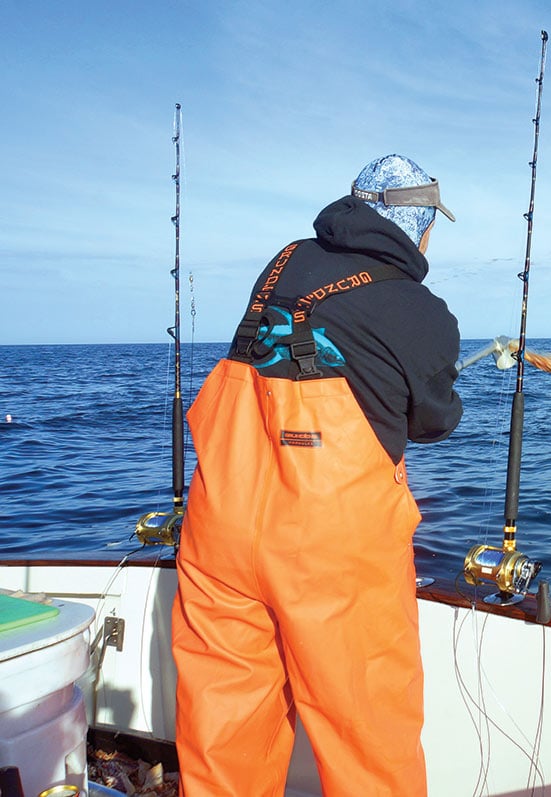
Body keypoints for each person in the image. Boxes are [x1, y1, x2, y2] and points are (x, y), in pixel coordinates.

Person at [172, 154, 462, 796]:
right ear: (418, 224)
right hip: (333, 555)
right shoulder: (420, 310)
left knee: (222, 731)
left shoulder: (283, 261)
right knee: (367, 740)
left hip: (219, 528)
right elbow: (434, 422)